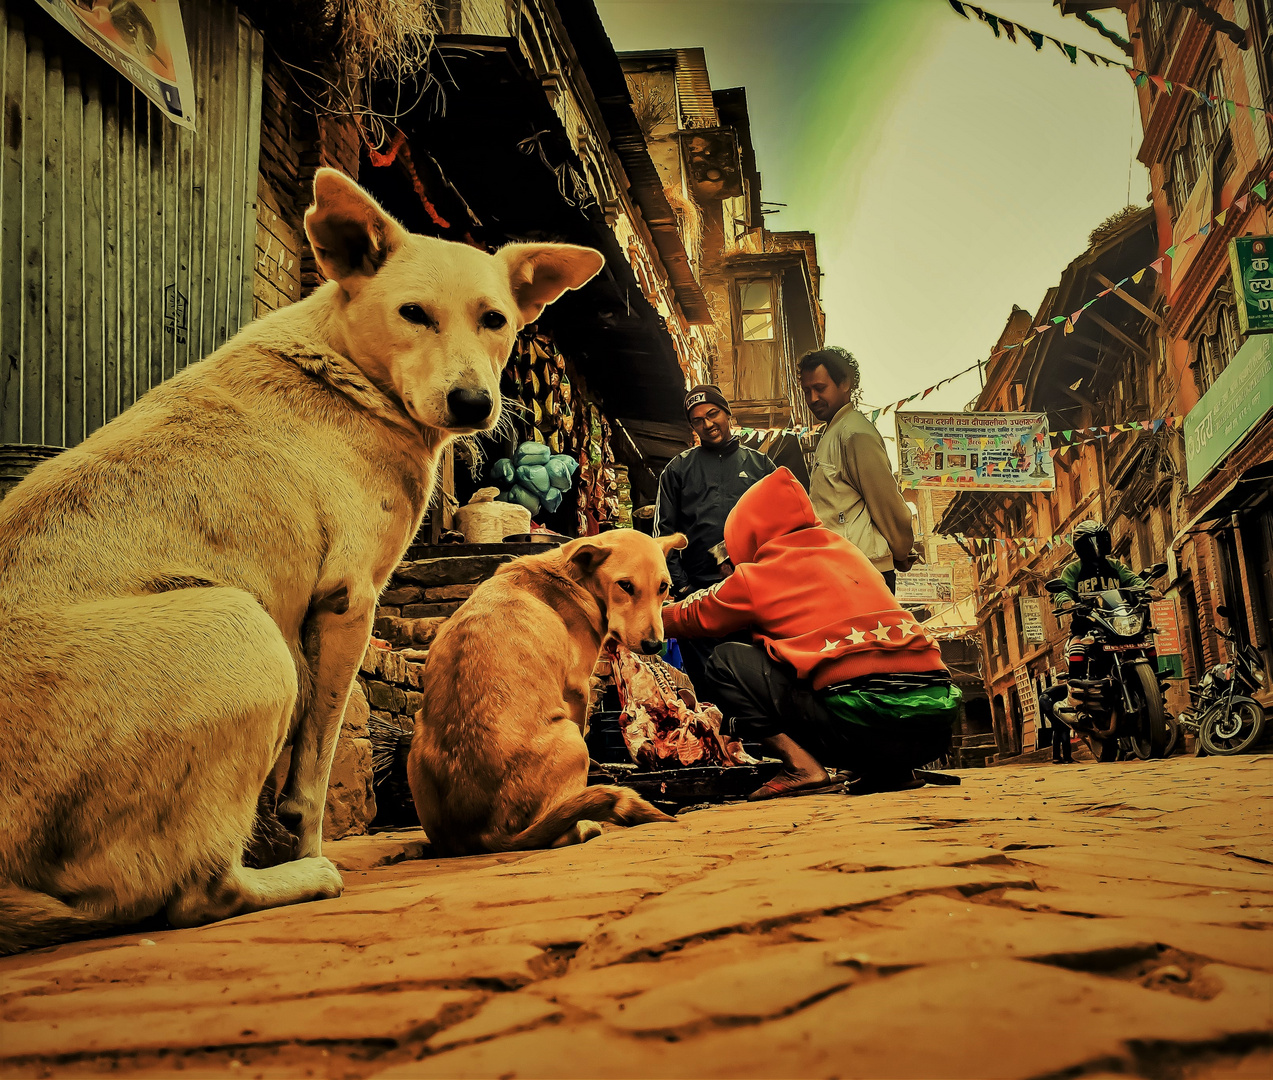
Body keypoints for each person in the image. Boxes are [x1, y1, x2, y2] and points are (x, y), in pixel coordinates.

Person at [661, 467, 961, 799]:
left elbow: (691, 617)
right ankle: (892, 769)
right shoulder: (849, 553)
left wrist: (630, 613)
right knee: (834, 666)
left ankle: (801, 766)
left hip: (866, 730)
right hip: (935, 730)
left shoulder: (761, 572)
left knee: (725, 661)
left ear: (746, 531)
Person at [655, 384, 775, 685]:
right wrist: (682, 589)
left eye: (713, 414)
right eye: (697, 420)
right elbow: (663, 536)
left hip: (752, 597)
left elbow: (781, 531)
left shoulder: (762, 467)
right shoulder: (677, 470)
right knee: (708, 685)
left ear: (727, 414)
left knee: (756, 681)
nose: (707, 424)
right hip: (698, 597)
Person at [799, 347, 917, 592]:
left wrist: (901, 550)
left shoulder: (854, 432)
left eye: (820, 389)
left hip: (862, 569)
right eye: (807, 391)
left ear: (845, 383)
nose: (812, 399)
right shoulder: (833, 432)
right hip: (841, 567)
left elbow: (886, 501)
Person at [1057, 520, 1147, 684]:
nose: (1096, 546)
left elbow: (1133, 580)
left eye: (1100, 540)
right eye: (1090, 543)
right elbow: (1063, 590)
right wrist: (1065, 601)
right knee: (1077, 648)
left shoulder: (1115, 566)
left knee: (1146, 642)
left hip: (1119, 621)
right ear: (1080, 547)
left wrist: (1147, 589)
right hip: (1087, 625)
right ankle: (1076, 687)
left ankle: (1153, 678)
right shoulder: (1073, 570)